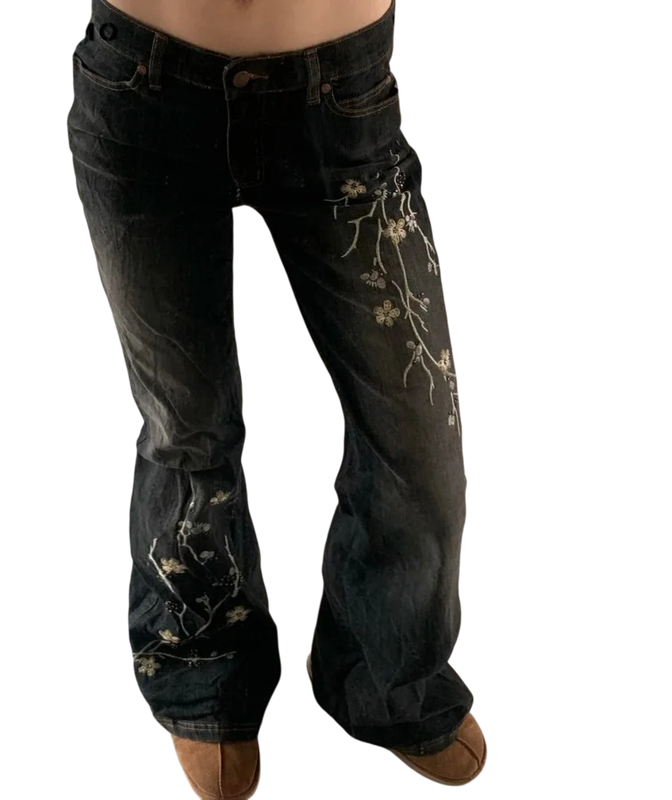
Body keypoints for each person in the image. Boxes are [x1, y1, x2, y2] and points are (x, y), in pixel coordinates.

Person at [66, 1, 486, 796]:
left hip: (343, 98)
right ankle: (203, 672)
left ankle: (386, 676)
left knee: (419, 441)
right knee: (188, 429)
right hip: (146, 87)